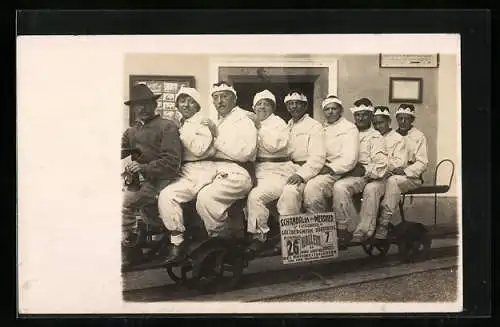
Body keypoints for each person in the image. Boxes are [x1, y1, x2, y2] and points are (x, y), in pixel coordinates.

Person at [121, 83, 183, 265]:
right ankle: (152, 241)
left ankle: (128, 247)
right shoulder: (131, 131)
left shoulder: (167, 127)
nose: (143, 108)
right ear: (133, 108)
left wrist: (144, 168)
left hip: (162, 179)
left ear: (154, 105)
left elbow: (172, 162)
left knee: (125, 205)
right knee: (138, 207)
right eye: (138, 105)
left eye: (147, 103)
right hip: (140, 181)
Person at [157, 87, 218, 263]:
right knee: (159, 193)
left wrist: (178, 134)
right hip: (186, 170)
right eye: (182, 100)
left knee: (170, 196)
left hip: (201, 170)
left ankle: (179, 243)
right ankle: (173, 236)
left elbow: (199, 150)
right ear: (176, 104)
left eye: (191, 101)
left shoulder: (202, 123)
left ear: (198, 106)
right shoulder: (182, 123)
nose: (186, 104)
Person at [195, 81, 258, 238]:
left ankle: (222, 237)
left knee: (206, 198)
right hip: (217, 170)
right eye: (215, 97)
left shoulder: (244, 119)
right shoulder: (218, 121)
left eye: (224, 96)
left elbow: (246, 152)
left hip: (239, 172)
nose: (219, 101)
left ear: (234, 99)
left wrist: (216, 137)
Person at [245, 90, 296, 252]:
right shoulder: (250, 123)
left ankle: (259, 237)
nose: (262, 107)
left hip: (278, 171)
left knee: (256, 196)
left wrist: (258, 127)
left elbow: (274, 146)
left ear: (272, 108)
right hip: (259, 171)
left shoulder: (278, 123)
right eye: (258, 104)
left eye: (266, 104)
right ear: (253, 107)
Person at [332, 98, 388, 243]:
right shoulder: (348, 132)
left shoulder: (375, 137)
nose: (361, 118)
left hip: (365, 176)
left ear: (371, 116)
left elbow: (381, 165)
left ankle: (357, 229)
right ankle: (348, 225)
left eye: (364, 115)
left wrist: (363, 169)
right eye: (358, 115)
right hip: (344, 171)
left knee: (341, 187)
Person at [375, 104, 428, 239]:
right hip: (392, 174)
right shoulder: (393, 136)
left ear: (412, 120)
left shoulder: (418, 136)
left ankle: (384, 223)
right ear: (396, 119)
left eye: (407, 119)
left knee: (393, 182)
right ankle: (372, 220)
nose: (403, 122)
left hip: (411, 177)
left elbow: (422, 162)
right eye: (400, 119)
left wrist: (406, 171)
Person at [302, 95, 359, 214]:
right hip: (320, 168)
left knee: (313, 188)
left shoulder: (349, 128)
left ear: (341, 110)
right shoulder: (321, 128)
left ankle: (320, 224)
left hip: (339, 171)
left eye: (334, 108)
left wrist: (329, 168)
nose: (330, 112)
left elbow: (350, 158)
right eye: (327, 109)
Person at [276, 90, 326, 216]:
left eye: (298, 103)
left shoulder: (314, 126)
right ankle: (285, 229)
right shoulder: (287, 126)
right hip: (288, 168)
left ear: (305, 106)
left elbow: (318, 156)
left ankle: (295, 230)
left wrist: (301, 175)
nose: (294, 106)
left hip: (306, 170)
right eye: (290, 104)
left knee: (290, 193)